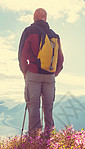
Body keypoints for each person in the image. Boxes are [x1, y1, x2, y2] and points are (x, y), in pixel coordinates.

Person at [18, 8, 64, 136]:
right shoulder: (54, 35)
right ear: (46, 18)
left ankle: (34, 137)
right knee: (48, 107)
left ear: (34, 17)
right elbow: (60, 58)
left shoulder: (29, 31)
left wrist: (24, 71)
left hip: (33, 74)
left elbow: (22, 53)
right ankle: (49, 135)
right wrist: (55, 72)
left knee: (33, 106)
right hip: (49, 76)